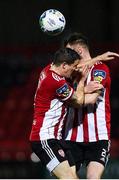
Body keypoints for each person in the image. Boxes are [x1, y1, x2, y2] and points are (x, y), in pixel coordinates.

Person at [29, 47, 103, 179]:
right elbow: (79, 101)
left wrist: (99, 58)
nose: (76, 69)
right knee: (69, 178)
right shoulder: (55, 82)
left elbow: (75, 65)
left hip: (57, 138)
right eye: (73, 67)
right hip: (44, 139)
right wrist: (81, 81)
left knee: (73, 176)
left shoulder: (48, 69)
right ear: (64, 65)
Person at [62, 33, 119, 179]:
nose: (66, 56)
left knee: (93, 178)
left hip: (98, 137)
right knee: (66, 177)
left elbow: (91, 99)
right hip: (72, 137)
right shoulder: (70, 72)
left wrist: (72, 96)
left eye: (70, 51)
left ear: (80, 51)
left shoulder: (100, 69)